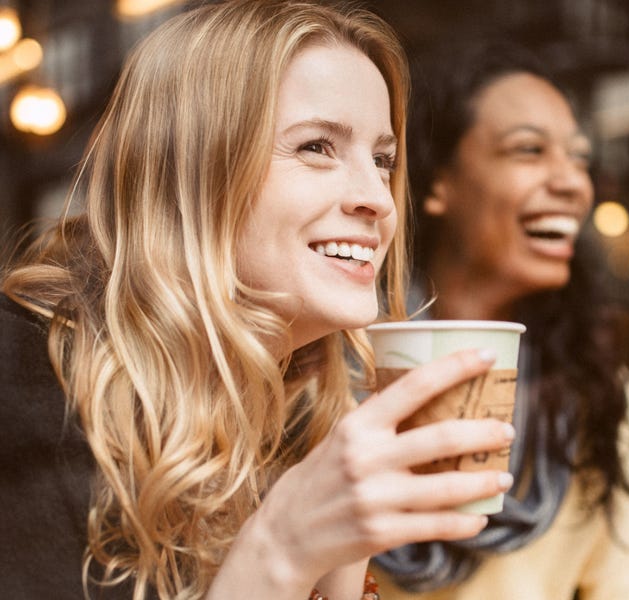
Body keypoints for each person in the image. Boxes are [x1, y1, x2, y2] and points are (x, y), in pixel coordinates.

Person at [0, 3, 518, 599]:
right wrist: (281, 549)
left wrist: (337, 570)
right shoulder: (24, 382)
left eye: (382, 160)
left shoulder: (299, 426)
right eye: (317, 147)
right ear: (193, 172)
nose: (377, 197)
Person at [371, 38, 629, 599]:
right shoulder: (327, 378)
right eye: (528, 150)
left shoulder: (597, 395)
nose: (573, 183)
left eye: (579, 157)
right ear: (439, 180)